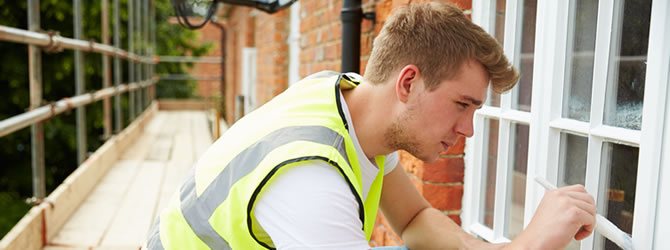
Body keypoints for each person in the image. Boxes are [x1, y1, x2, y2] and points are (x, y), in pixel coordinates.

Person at [146, 2, 596, 249]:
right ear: (408, 82)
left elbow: (415, 218)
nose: (468, 129)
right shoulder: (309, 179)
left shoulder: (352, 102)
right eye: (462, 104)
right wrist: (532, 245)